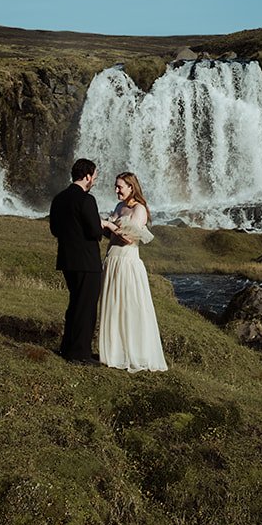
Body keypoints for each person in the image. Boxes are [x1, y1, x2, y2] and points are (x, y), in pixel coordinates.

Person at [96, 171, 168, 372]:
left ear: (131, 187)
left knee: (129, 306)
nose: (116, 190)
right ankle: (113, 352)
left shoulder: (139, 209)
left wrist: (109, 224)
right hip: (113, 258)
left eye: (120, 186)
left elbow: (131, 238)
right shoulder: (119, 206)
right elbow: (111, 235)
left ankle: (133, 352)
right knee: (112, 305)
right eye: (115, 186)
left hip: (127, 261)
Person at [49, 157, 103, 365]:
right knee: (86, 307)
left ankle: (68, 347)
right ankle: (80, 353)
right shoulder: (86, 200)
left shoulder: (59, 198)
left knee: (75, 305)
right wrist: (103, 224)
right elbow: (95, 231)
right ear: (87, 176)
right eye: (95, 177)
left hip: (67, 259)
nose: (95, 181)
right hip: (87, 261)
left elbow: (54, 229)